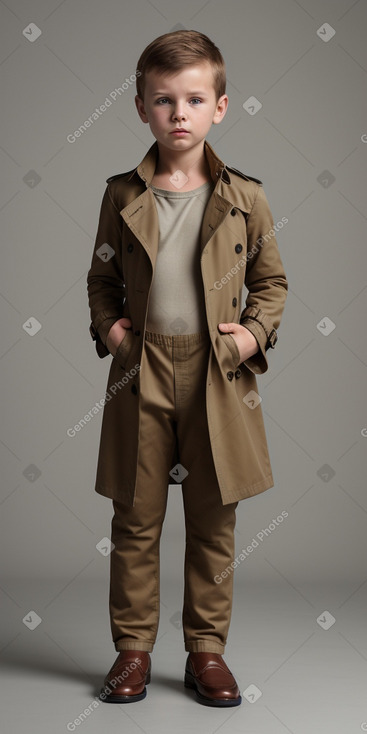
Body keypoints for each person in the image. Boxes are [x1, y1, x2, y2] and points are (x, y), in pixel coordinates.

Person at [87, 29, 288, 707]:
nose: (179, 112)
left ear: (219, 108)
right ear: (141, 106)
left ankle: (206, 653)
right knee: (135, 520)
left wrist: (249, 339)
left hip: (218, 377)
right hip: (141, 372)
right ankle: (132, 652)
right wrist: (114, 335)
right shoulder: (120, 195)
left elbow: (272, 282)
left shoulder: (245, 197)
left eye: (194, 99)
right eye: (163, 99)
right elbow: (99, 280)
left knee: (213, 519)